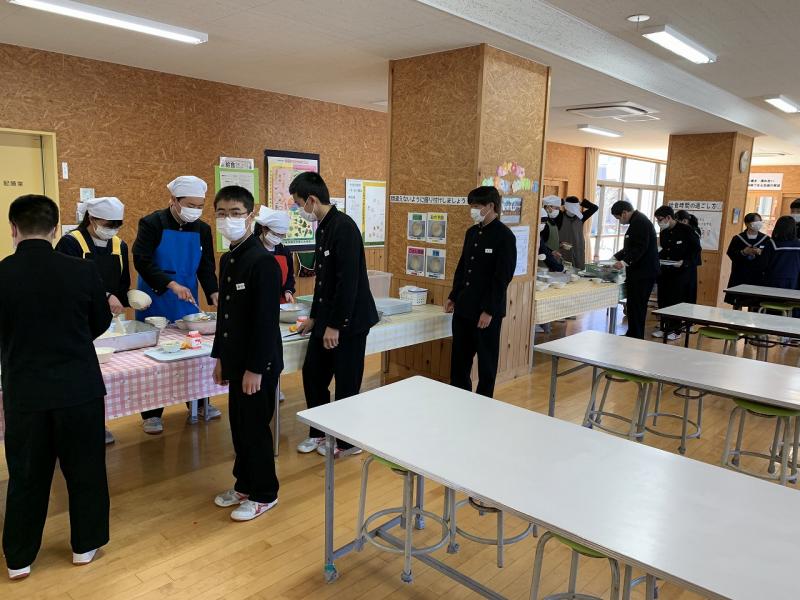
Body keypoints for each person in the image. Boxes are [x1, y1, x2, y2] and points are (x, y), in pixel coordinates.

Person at [1, 195, 112, 580]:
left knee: (26, 474)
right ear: (54, 229)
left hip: (25, 390)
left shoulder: (2, 274)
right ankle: (85, 546)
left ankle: (19, 558)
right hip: (79, 386)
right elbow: (100, 321)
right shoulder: (83, 271)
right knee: (85, 468)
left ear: (13, 228)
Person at [292, 172, 379, 458]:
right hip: (329, 318)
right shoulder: (323, 228)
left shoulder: (345, 227)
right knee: (313, 374)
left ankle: (347, 441)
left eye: (298, 204)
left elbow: (348, 282)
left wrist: (335, 325)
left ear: (312, 200)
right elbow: (324, 282)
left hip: (350, 322)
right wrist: (315, 317)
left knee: (346, 381)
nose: (298, 210)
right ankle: (319, 432)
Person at [210, 186, 283, 521]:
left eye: (236, 213)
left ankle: (265, 493)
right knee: (239, 427)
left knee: (255, 428)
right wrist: (220, 358)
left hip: (259, 364)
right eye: (222, 213)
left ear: (251, 216)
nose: (228, 219)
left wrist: (255, 368)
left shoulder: (262, 261)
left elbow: (266, 322)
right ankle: (244, 484)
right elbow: (224, 315)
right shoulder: (228, 259)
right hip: (236, 360)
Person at [132, 175, 221, 434]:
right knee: (155, 359)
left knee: (193, 353)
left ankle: (200, 402)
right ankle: (151, 413)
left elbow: (206, 267)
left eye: (200, 206)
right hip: (155, 297)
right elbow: (142, 260)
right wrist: (170, 284)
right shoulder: (152, 223)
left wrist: (214, 293)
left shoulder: (202, 229)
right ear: (174, 200)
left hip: (187, 298)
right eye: (190, 205)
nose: (195, 211)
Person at [55, 196, 128, 445]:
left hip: (106, 320)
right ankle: (83, 425)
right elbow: (66, 284)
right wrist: (105, 295)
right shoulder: (70, 243)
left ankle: (100, 420)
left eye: (117, 225)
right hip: (77, 320)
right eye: (109, 224)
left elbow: (123, 283)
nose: (113, 230)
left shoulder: (119, 245)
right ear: (92, 219)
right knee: (81, 376)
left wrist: (126, 296)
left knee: (106, 375)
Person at [446, 186, 516, 398]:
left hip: (486, 313)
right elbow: (463, 268)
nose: (473, 210)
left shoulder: (505, 236)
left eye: (476, 206)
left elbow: (502, 278)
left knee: (486, 365)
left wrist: (489, 310)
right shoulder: (472, 232)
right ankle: (460, 400)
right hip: (464, 308)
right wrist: (453, 296)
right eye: (472, 206)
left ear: (491, 206)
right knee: (459, 362)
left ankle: (484, 405)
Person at [611, 200, 659, 339]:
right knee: (633, 305)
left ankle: (636, 337)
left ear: (624, 213)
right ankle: (632, 334)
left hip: (643, 273)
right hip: (640, 272)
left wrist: (624, 262)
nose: (619, 221)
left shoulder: (639, 222)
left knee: (637, 306)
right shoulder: (637, 221)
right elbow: (630, 247)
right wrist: (616, 257)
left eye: (618, 218)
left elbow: (640, 247)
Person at [652, 206, 701, 340]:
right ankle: (663, 327)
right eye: (657, 220)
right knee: (663, 299)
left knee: (676, 301)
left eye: (660, 219)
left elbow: (696, 250)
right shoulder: (664, 231)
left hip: (682, 272)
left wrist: (685, 262)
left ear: (669, 217)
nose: (659, 222)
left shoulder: (687, 230)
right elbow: (664, 249)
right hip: (666, 270)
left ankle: (676, 330)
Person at [724, 213, 770, 308]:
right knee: (738, 301)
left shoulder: (766, 239)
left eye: (760, 221)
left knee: (755, 303)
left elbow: (769, 257)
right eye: (756, 221)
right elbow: (731, 253)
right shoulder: (738, 238)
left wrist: (761, 253)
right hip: (740, 274)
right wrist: (743, 252)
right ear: (748, 224)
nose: (759, 223)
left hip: (757, 275)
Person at [254, 205, 295, 302]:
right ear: (264, 229)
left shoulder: (284, 251)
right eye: (276, 234)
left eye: (282, 235)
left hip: (281, 301)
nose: (278, 238)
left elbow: (290, 275)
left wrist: (288, 291)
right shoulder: (252, 249)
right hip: (257, 301)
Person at [555, 195, 598, 269]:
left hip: (578, 249)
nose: (573, 211)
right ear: (566, 207)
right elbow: (551, 205)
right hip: (563, 249)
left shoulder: (581, 217)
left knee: (578, 270)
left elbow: (595, 208)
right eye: (571, 208)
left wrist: (581, 203)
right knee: (563, 269)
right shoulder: (559, 216)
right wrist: (563, 201)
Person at [764, 215, 800, 290]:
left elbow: (763, 263)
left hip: (774, 279)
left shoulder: (771, 243)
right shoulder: (798, 244)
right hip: (794, 279)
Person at [674, 209, 702, 304]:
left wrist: (686, 261)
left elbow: (696, 249)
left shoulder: (692, 231)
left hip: (689, 264)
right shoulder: (685, 230)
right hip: (682, 263)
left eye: (677, 221)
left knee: (688, 292)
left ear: (685, 221)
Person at [538, 207, 564, 272]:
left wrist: (551, 251)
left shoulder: (537, 235)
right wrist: (560, 268)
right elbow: (543, 250)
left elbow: (542, 246)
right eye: (541, 222)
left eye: (544, 222)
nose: (543, 225)